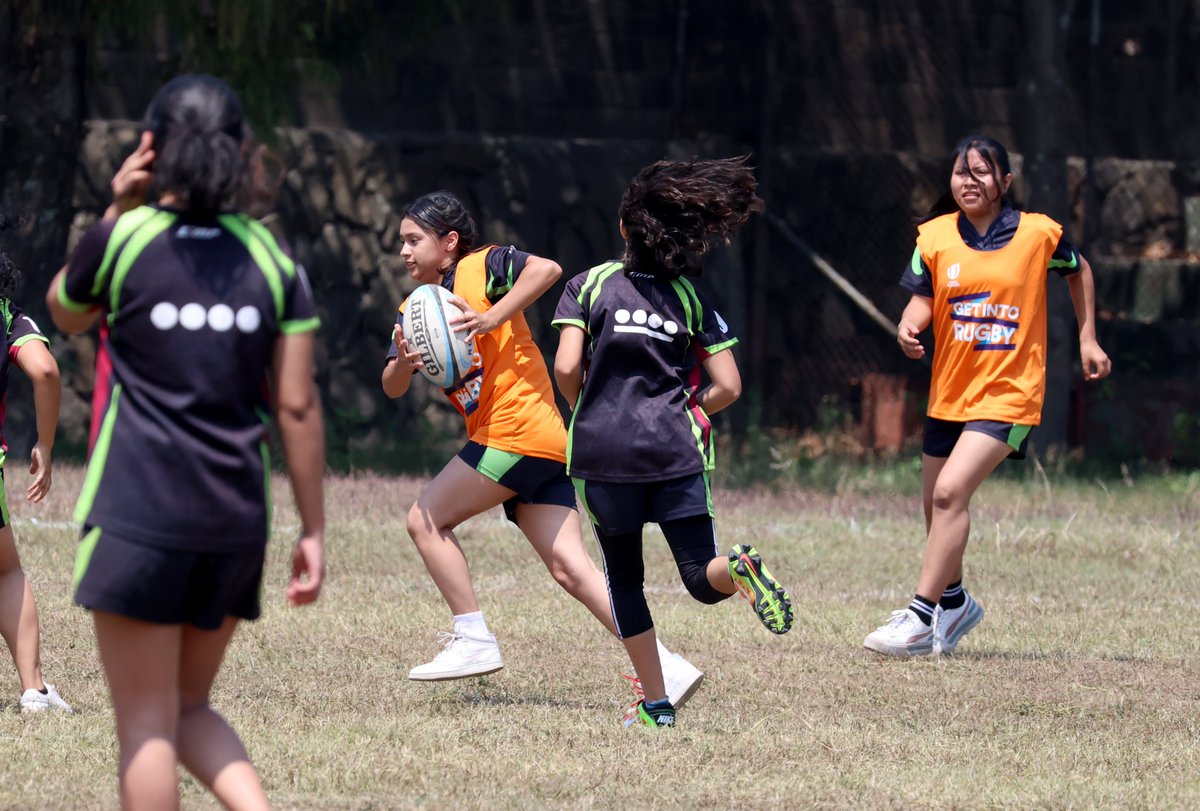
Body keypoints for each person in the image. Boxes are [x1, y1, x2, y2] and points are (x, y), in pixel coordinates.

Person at [46, 74, 325, 810]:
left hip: (137, 513)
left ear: (150, 149)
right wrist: (315, 527)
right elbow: (296, 406)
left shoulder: (125, 238)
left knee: (145, 727)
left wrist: (117, 203)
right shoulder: (273, 260)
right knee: (187, 705)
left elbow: (65, 313)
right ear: (240, 154)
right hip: (232, 523)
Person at [382, 191, 704, 707]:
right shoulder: (417, 308)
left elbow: (548, 270)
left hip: (514, 432)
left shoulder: (482, 265)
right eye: (402, 241)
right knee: (571, 569)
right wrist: (402, 361)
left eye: (414, 240)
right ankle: (666, 665)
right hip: (546, 440)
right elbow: (392, 386)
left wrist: (492, 317)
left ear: (449, 242)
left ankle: (473, 638)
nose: (404, 250)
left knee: (425, 519)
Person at [552, 156, 794, 729]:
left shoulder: (588, 285)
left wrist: (585, 404)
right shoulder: (688, 297)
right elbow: (729, 386)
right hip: (673, 451)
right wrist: (688, 408)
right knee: (698, 576)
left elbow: (565, 367)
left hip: (602, 453)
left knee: (625, 582)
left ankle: (657, 705)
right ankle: (737, 573)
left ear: (624, 231)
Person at [863, 134, 1112, 659]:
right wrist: (909, 328)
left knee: (951, 494)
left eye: (981, 173)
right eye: (960, 173)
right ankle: (954, 601)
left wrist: (1088, 338)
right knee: (936, 508)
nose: (969, 182)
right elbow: (921, 301)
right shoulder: (933, 236)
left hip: (1009, 394)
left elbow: (1079, 270)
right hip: (949, 394)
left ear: (1004, 182)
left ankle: (920, 616)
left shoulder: (1038, 234)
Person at [0, 219, 72, 714]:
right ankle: (34, 690)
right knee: (6, 572)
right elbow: (45, 370)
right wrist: (44, 444)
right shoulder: (7, 315)